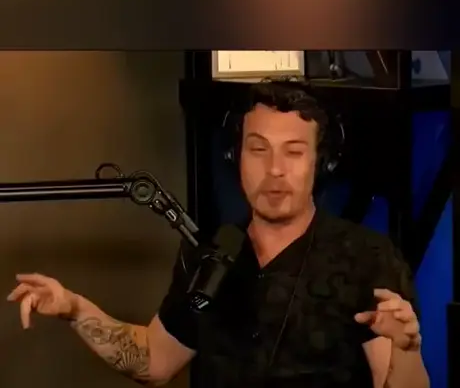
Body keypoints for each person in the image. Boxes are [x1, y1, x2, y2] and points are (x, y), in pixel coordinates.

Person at [7, 79, 430, 388]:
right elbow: (154, 360)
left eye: (294, 152)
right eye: (258, 149)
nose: (275, 169)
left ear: (321, 164)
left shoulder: (368, 257)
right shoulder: (210, 251)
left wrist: (407, 351)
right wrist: (75, 309)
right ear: (236, 157)